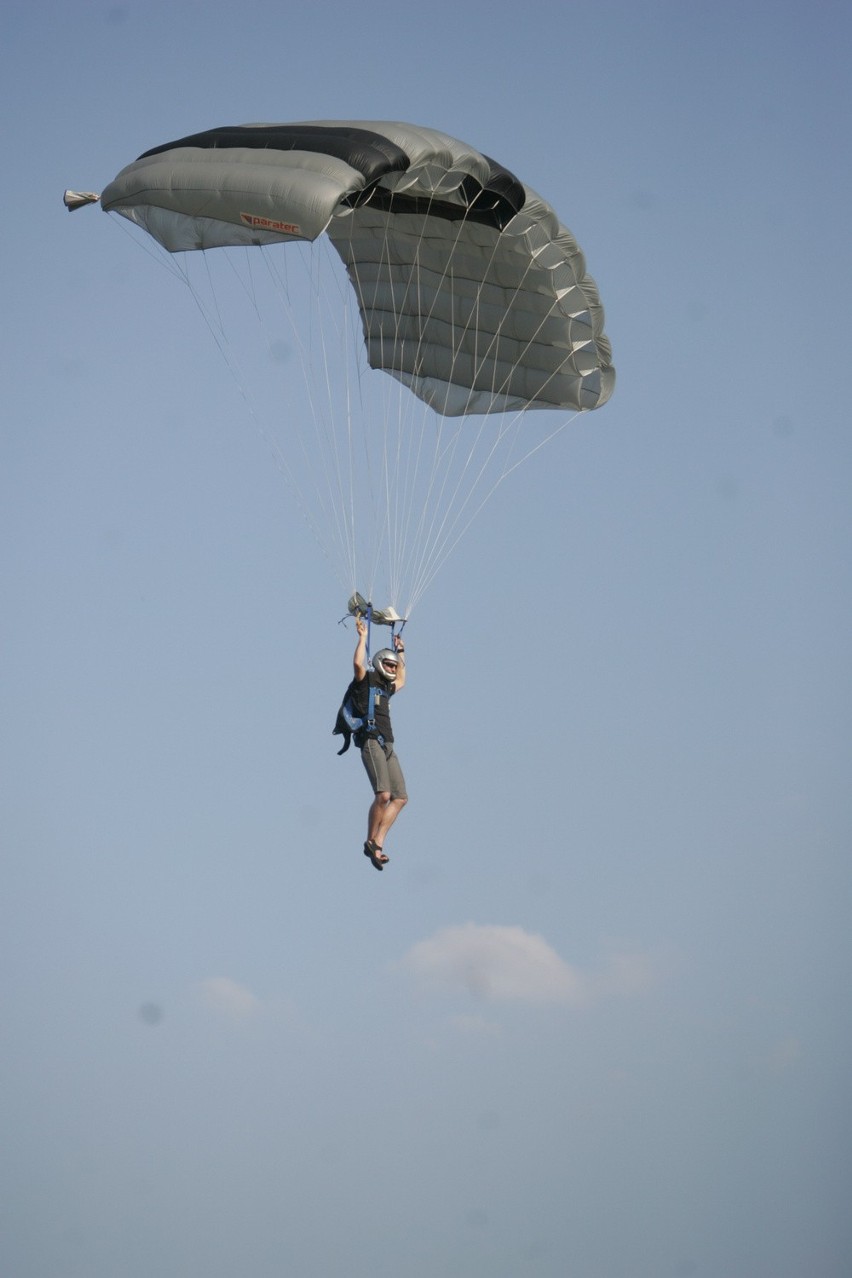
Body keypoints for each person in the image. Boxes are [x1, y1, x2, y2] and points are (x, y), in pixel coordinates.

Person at [352, 616, 407, 871]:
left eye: (394, 666)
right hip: (371, 740)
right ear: (378, 663)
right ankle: (369, 839)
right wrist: (363, 637)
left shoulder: (386, 687)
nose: (393, 669)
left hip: (388, 746)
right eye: (389, 665)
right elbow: (357, 664)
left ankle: (378, 843)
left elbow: (403, 680)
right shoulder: (366, 682)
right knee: (383, 794)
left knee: (400, 798)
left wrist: (401, 652)